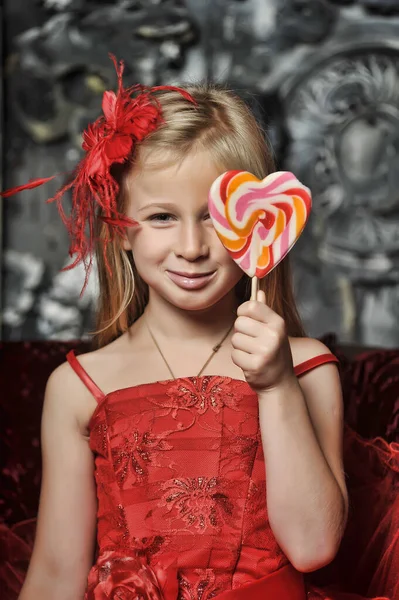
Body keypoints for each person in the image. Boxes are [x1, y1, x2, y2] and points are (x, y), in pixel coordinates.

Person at [3, 57, 397, 600]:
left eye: (213, 215)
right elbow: (55, 575)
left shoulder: (304, 368)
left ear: (259, 221)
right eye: (163, 217)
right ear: (120, 229)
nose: (192, 247)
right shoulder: (77, 388)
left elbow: (313, 546)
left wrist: (277, 385)